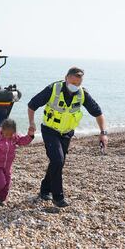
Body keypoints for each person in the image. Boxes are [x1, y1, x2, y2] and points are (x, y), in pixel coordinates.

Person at [27, 67, 108, 207]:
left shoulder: (82, 94)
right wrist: (31, 124)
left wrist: (103, 133)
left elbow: (98, 113)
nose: (75, 86)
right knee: (58, 160)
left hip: (67, 133)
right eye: (73, 82)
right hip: (50, 130)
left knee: (58, 162)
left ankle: (45, 190)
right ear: (66, 78)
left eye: (78, 84)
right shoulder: (53, 89)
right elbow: (32, 105)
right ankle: (58, 198)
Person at [0, 119, 35, 206]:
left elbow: (24, 141)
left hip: (7, 166)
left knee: (7, 184)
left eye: (11, 134)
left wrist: (30, 135)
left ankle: (1, 200)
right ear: (2, 130)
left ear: (14, 132)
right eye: (6, 134)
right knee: (1, 182)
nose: (8, 136)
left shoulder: (14, 138)